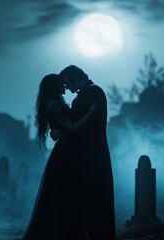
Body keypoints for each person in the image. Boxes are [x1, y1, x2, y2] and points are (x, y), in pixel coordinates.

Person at [22, 74, 98, 240]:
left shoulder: (55, 103)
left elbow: (65, 128)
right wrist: (91, 112)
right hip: (66, 154)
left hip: (66, 151)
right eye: (62, 84)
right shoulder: (54, 105)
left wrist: (60, 132)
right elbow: (73, 126)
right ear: (55, 86)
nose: (65, 87)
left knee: (66, 194)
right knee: (65, 194)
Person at [53, 65, 116, 240]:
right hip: (91, 155)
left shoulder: (91, 93)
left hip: (90, 157)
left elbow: (81, 128)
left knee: (94, 203)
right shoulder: (91, 93)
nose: (67, 88)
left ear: (75, 78)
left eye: (67, 83)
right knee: (92, 204)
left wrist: (62, 132)